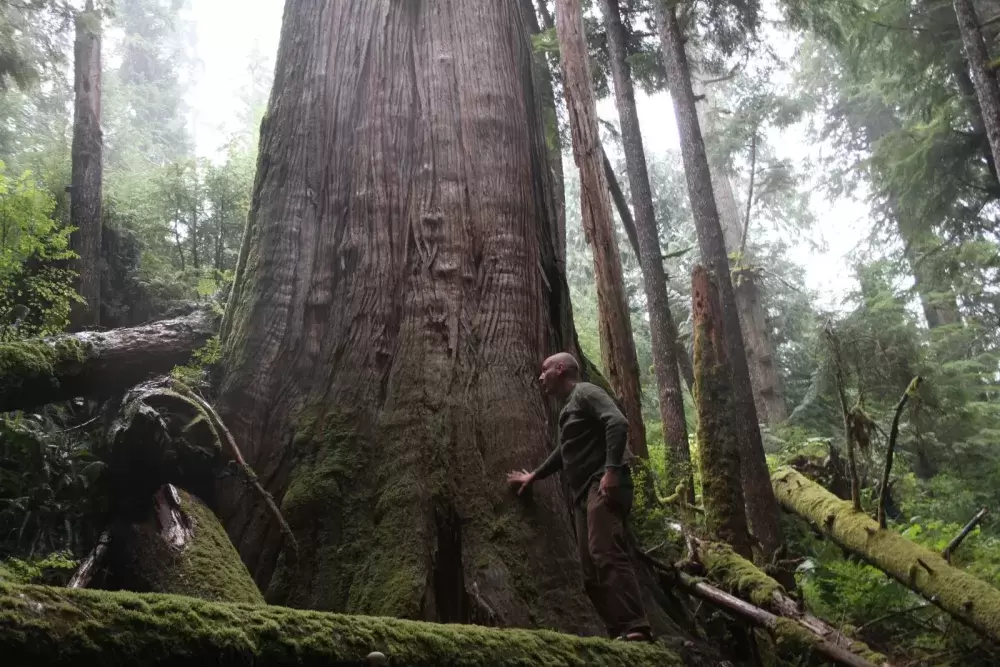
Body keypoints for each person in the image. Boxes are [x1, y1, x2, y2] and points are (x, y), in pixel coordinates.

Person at [507, 352, 652, 642]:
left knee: (606, 552)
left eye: (544, 369)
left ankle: (638, 627)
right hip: (582, 493)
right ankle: (619, 633)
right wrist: (534, 475)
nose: (540, 377)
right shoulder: (567, 408)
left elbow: (618, 423)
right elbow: (565, 450)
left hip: (602, 483)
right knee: (589, 572)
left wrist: (610, 471)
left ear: (560, 369)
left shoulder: (585, 392)